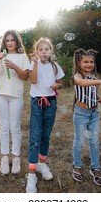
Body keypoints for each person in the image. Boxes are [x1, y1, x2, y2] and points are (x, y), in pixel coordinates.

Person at [0, 30, 29, 175]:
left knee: (15, 127)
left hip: (16, 95)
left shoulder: (22, 56)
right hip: (1, 95)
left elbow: (25, 77)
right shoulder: (1, 56)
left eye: (12, 40)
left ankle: (16, 157)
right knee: (4, 126)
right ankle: (4, 157)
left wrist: (15, 66)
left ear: (17, 42)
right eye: (7, 40)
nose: (10, 43)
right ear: (4, 43)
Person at [25, 37, 65, 193]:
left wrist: (57, 85)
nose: (43, 52)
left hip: (51, 102)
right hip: (37, 102)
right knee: (35, 136)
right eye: (40, 49)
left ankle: (41, 164)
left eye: (46, 49)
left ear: (51, 51)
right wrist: (34, 63)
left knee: (46, 135)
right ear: (36, 52)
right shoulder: (33, 64)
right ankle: (31, 174)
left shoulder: (55, 66)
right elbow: (33, 81)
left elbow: (60, 82)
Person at [71, 48, 101, 186]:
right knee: (80, 140)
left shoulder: (93, 77)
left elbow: (94, 96)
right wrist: (100, 82)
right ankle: (77, 166)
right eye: (85, 62)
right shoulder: (77, 76)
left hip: (94, 113)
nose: (89, 64)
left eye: (91, 62)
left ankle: (96, 168)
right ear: (79, 63)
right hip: (81, 113)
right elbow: (81, 84)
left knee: (94, 141)